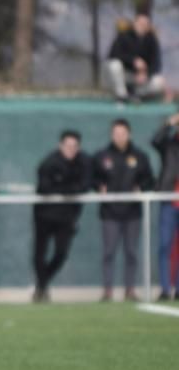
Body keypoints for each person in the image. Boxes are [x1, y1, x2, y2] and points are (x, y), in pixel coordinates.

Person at [93, 119, 154, 301]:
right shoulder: (102, 156)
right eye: (116, 133)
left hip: (132, 212)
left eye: (123, 133)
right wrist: (99, 187)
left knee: (131, 252)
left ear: (129, 134)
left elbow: (149, 179)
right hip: (110, 213)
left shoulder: (140, 156)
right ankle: (108, 290)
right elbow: (93, 179)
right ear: (112, 135)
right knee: (109, 252)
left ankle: (130, 289)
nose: (119, 137)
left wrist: (140, 187)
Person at [33, 130, 92, 302]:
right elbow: (44, 187)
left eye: (74, 146)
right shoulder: (49, 163)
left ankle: (42, 284)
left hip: (67, 217)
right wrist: (68, 188)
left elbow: (85, 185)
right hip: (44, 215)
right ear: (61, 145)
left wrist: (64, 187)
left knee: (61, 253)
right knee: (39, 255)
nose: (71, 149)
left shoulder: (84, 162)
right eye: (68, 145)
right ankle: (41, 287)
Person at [105, 12, 168, 104]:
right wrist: (133, 61)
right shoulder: (123, 36)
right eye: (140, 23)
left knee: (159, 81)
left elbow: (156, 63)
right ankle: (121, 95)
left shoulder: (152, 40)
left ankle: (135, 94)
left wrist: (146, 74)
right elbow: (113, 54)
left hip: (141, 79)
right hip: (125, 74)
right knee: (114, 64)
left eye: (145, 24)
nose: (142, 26)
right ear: (134, 23)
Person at [152, 112, 179, 300]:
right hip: (170, 200)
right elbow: (155, 140)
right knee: (164, 244)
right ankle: (164, 288)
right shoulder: (169, 144)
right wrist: (169, 122)